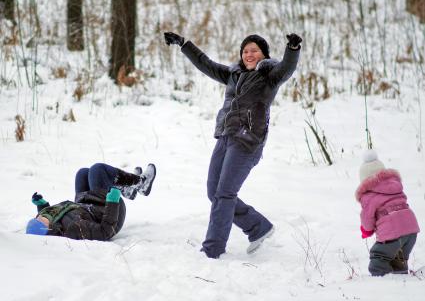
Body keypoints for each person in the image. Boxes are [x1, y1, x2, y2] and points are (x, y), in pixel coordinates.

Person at [164, 31, 302, 258]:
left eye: (254, 50)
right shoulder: (233, 74)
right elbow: (205, 64)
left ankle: (213, 249)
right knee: (214, 192)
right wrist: (184, 44)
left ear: (263, 54)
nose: (249, 54)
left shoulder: (270, 75)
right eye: (245, 51)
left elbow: (287, 67)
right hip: (226, 136)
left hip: (248, 141)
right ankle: (258, 227)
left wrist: (293, 49)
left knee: (225, 193)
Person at [26, 163, 156, 241]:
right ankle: (141, 183)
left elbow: (51, 216)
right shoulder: (73, 229)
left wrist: (42, 205)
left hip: (86, 204)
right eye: (40, 220)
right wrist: (112, 202)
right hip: (108, 210)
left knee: (83, 173)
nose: (41, 215)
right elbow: (105, 231)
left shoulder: (51, 219)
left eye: (38, 216)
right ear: (48, 228)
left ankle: (127, 188)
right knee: (97, 169)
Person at [355, 149, 420, 276]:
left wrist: (366, 231)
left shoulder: (368, 196)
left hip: (392, 231)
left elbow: (367, 220)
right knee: (398, 258)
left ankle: (381, 283)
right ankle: (402, 280)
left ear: (364, 180)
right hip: (411, 230)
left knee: (379, 256)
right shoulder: (396, 186)